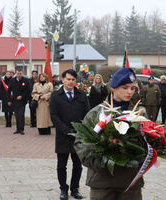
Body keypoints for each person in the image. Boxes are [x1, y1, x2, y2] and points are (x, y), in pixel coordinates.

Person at [75, 68, 144, 200]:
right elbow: (80, 143)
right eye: (125, 87)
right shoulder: (96, 113)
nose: (129, 92)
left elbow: (149, 144)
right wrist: (100, 163)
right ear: (113, 87)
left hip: (130, 182)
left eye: (132, 88)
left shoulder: (140, 115)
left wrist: (136, 161)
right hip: (102, 181)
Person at [49, 69, 90, 200]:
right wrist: (65, 130)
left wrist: (82, 129)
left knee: (77, 165)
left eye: (73, 79)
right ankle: (63, 189)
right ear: (63, 80)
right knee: (62, 165)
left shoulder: (81, 95)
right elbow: (54, 116)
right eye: (68, 79)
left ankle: (74, 188)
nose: (70, 82)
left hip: (79, 136)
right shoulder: (56, 95)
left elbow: (87, 113)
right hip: (63, 135)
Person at [8, 70, 30, 135]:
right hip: (14, 100)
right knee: (17, 115)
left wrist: (22, 96)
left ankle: (21, 129)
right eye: (18, 73)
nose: (19, 75)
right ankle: (17, 129)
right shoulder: (12, 80)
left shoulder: (25, 80)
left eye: (20, 73)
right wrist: (9, 100)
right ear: (16, 74)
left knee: (21, 114)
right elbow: (9, 91)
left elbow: (28, 90)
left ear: (22, 74)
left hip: (22, 101)